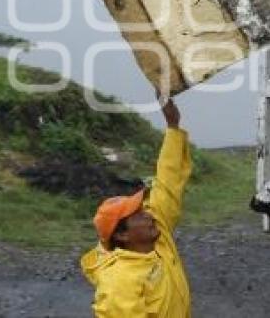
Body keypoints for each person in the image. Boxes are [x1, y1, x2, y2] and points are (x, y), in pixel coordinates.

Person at [81, 96, 192, 318]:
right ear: (122, 236)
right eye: (138, 215)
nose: (148, 215)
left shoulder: (159, 241)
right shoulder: (120, 281)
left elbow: (167, 182)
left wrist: (172, 127)